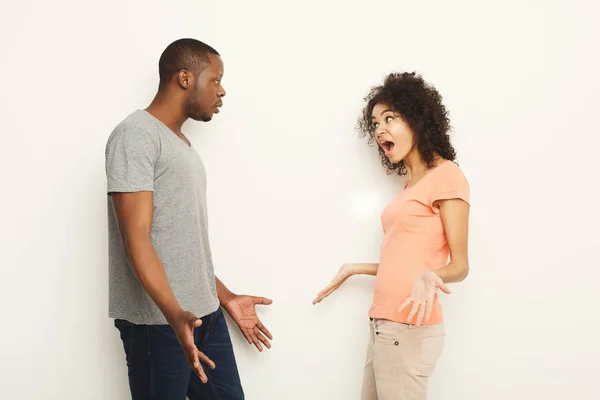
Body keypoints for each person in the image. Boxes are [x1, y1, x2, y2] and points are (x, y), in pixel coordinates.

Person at [105, 38, 272, 400]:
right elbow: (136, 239)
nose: (222, 90)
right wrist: (174, 314)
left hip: (204, 317)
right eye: (215, 79)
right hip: (160, 324)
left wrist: (225, 298)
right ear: (184, 78)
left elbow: (180, 244)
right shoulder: (136, 136)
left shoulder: (180, 144)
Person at [313, 71, 471, 400]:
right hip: (384, 324)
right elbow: (406, 258)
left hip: (407, 328)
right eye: (374, 123)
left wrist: (430, 277)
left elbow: (460, 265)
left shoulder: (447, 176)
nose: (380, 129)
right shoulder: (410, 187)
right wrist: (357, 267)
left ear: (416, 119)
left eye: (390, 118)